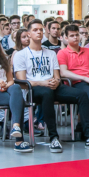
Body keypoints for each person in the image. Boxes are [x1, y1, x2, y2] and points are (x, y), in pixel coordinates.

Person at [13, 20, 74, 153]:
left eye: (40, 29)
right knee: (47, 93)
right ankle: (53, 137)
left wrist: (56, 81)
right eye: (35, 30)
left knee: (82, 94)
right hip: (32, 89)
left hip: (51, 86)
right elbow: (22, 81)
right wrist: (43, 83)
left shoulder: (51, 53)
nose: (39, 32)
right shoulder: (21, 55)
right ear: (28, 34)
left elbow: (57, 75)